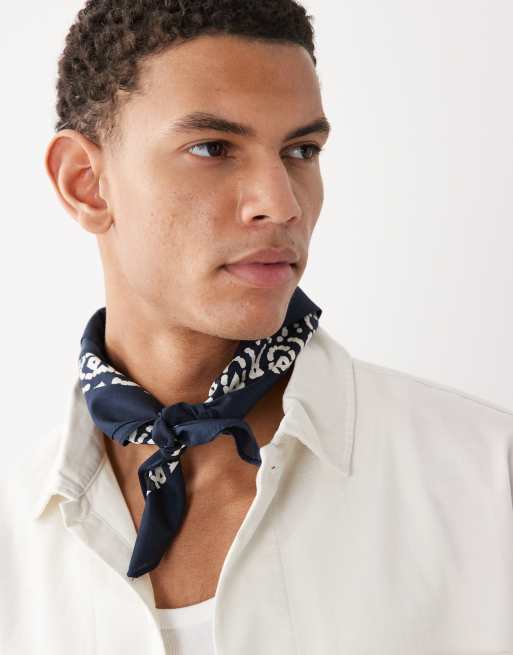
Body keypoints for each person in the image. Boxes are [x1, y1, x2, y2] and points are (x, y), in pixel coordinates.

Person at [2, 1, 513, 654]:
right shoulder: (15, 544)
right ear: (86, 184)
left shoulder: (487, 484)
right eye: (212, 148)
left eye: (301, 150)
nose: (281, 203)